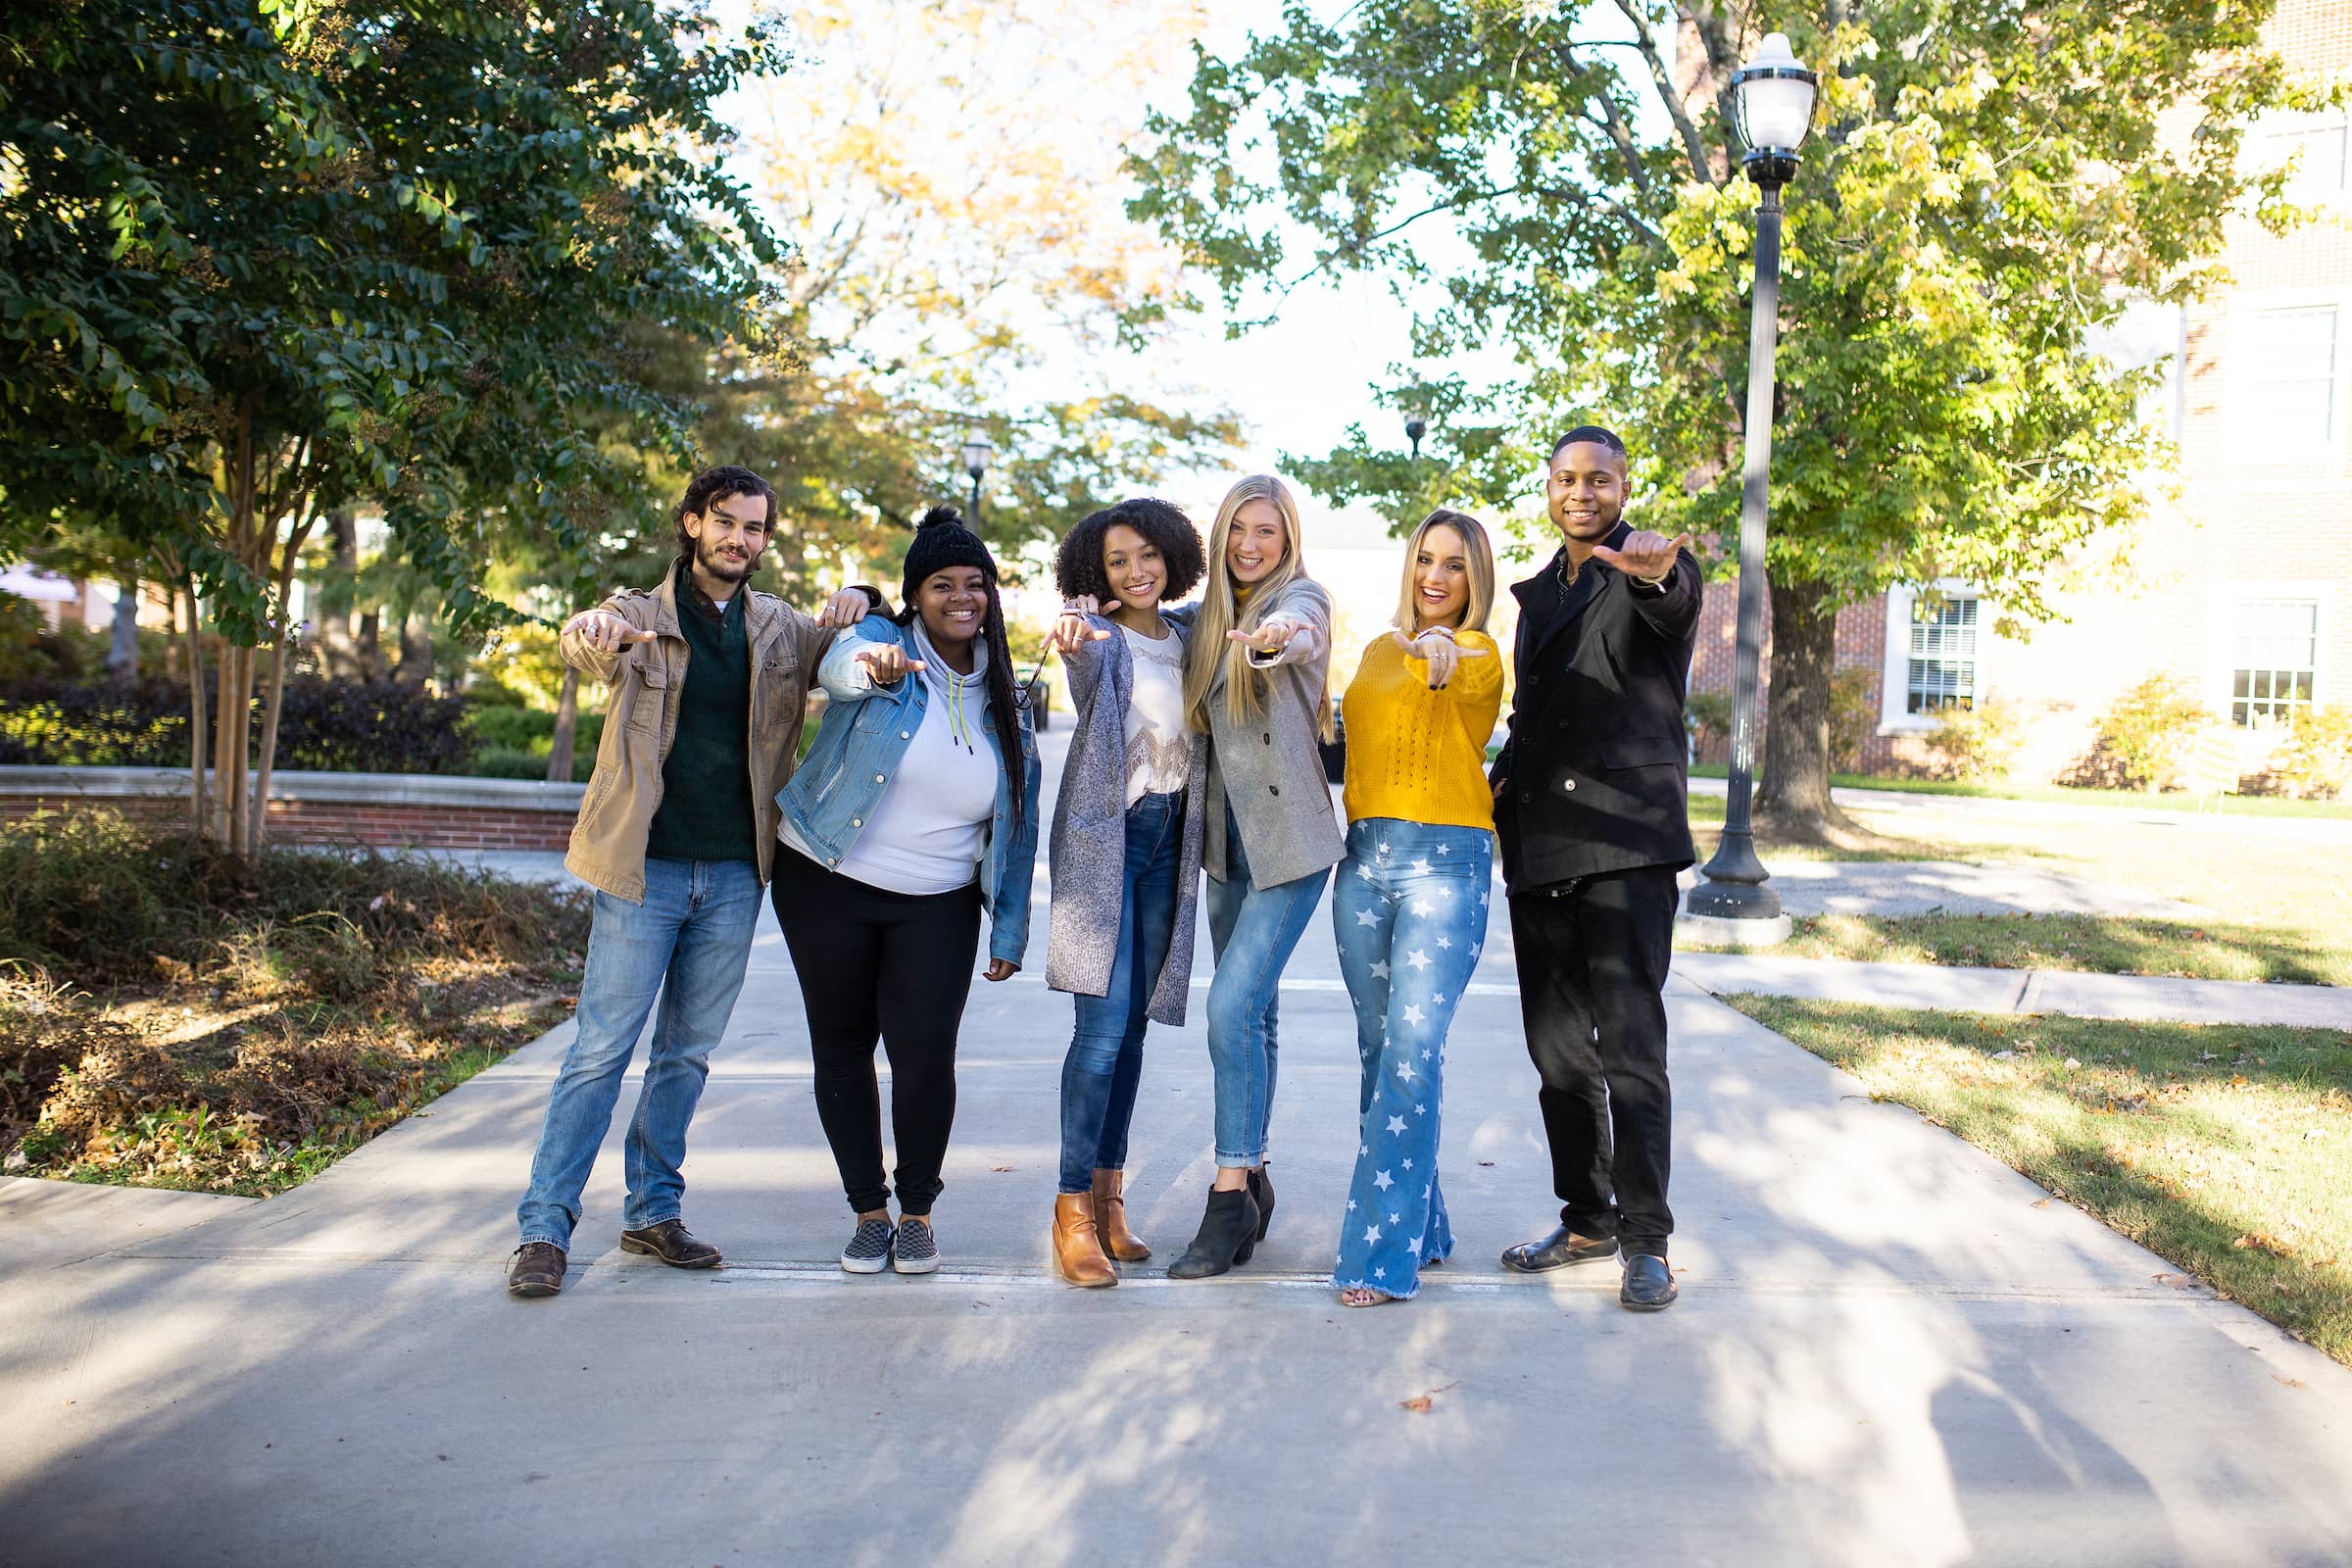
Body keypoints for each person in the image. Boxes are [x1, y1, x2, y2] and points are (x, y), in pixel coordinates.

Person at [508, 466, 879, 1300]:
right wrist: (591, 631)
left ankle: (653, 1211)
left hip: (739, 874)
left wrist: (862, 593)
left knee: (686, 1056)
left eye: (755, 528)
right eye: (725, 522)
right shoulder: (641, 614)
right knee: (601, 1053)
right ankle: (543, 1227)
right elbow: (586, 635)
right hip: (645, 872)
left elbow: (853, 655)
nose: (739, 539)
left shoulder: (781, 629)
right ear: (691, 523)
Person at [771, 505, 1041, 1277]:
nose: (962, 597)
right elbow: (838, 666)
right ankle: (868, 1212)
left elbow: (1014, 829)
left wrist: (1009, 930)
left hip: (941, 900)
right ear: (915, 596)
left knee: (926, 1056)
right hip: (825, 879)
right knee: (844, 1047)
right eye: (941, 584)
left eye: (975, 584)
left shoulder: (1008, 699)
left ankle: (916, 1212)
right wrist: (870, 666)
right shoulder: (883, 643)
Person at [1489, 425, 1701, 1312]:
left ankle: (1647, 1239)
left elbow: (1670, 600)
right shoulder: (1538, 592)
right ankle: (1588, 1217)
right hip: (1540, 845)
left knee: (1632, 1053)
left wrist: (1652, 570)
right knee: (1557, 1056)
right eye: (1567, 479)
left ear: (1623, 487)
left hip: (1626, 846)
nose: (1582, 492)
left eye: (1599, 479)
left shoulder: (1649, 569)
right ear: (1549, 487)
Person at [1166, 474, 1344, 1280]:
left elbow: (1298, 630)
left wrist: (1276, 640)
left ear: (1288, 538)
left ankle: (1229, 1188)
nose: (1250, 545)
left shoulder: (1300, 599)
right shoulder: (1204, 620)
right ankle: (1258, 1172)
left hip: (1291, 844)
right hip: (1226, 847)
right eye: (1239, 529)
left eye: (1266, 531)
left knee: (1230, 1007)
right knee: (1256, 1016)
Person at [1328, 510, 1503, 1306]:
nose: (1437, 577)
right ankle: (1424, 1227)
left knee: (1410, 1055)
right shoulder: (1373, 651)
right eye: (1427, 560)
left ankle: (1378, 1257)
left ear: (1477, 580)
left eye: (1456, 566)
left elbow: (1452, 672)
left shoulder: (1476, 652)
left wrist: (1437, 657)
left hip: (1445, 868)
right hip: (1363, 865)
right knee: (1381, 1050)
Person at [1038, 498, 1210, 1287]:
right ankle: (1071, 1210)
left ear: (1171, 554)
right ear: (1095, 574)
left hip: (1172, 841)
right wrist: (1073, 630)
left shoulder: (1190, 634)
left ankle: (1110, 1201)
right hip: (1112, 841)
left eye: (1147, 554)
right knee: (1101, 1033)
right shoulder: (1099, 638)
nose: (1136, 570)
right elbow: (1078, 661)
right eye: (1117, 561)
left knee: (1135, 1032)